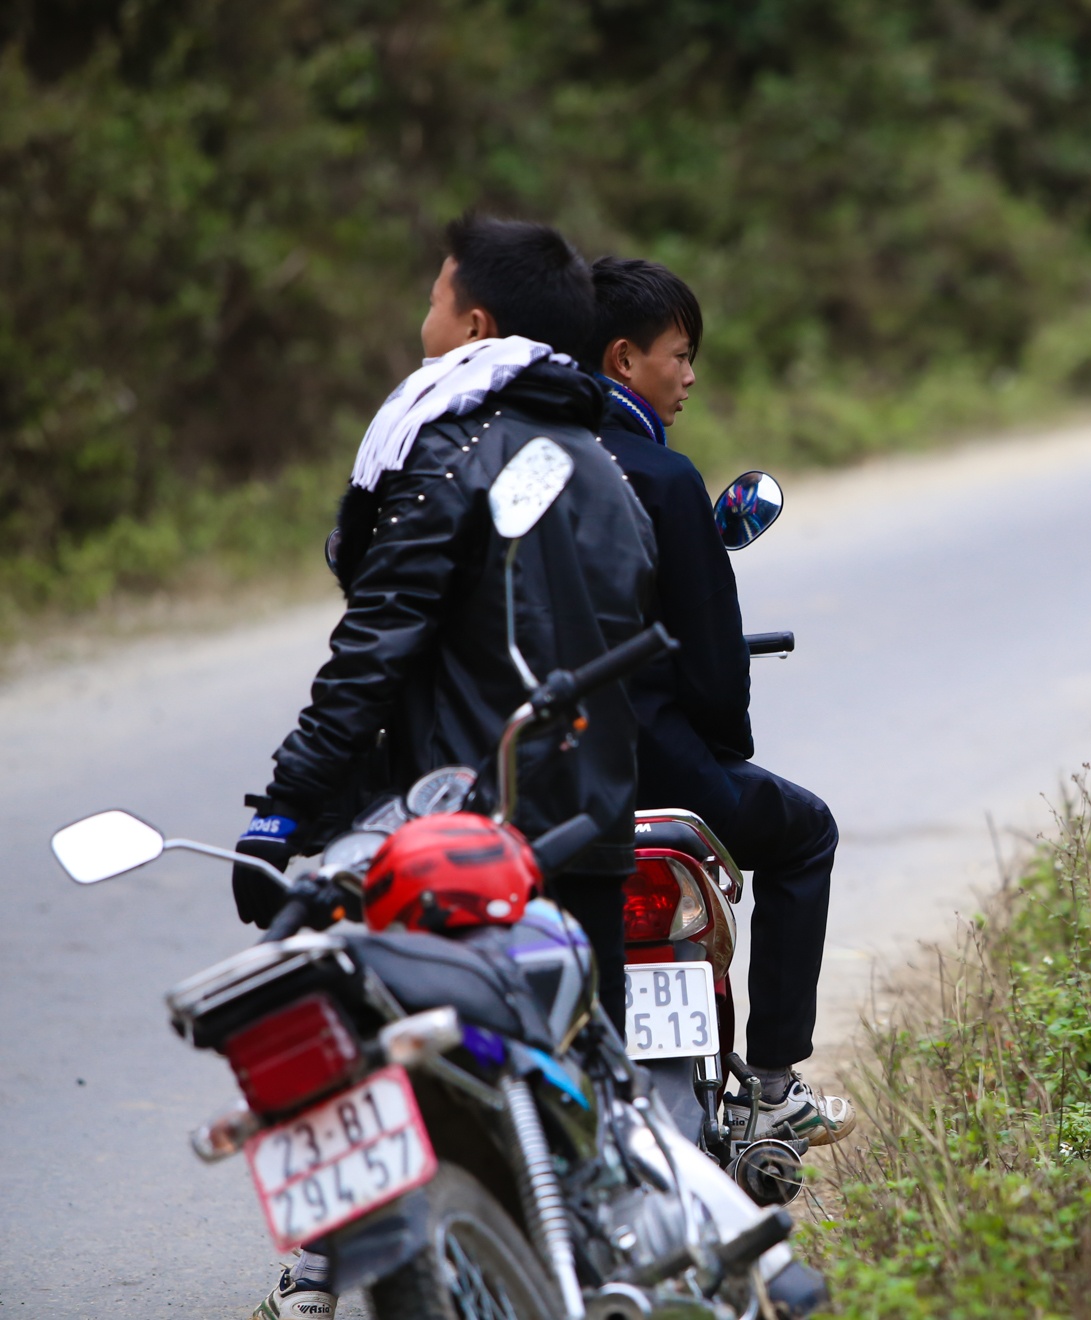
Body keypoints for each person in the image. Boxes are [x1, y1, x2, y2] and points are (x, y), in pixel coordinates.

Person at [237, 216, 656, 1320]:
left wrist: (285, 809)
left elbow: (375, 649)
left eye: (431, 300)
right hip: (594, 831)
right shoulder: (606, 465)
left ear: (472, 322)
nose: (419, 325)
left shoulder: (445, 448)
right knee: (589, 1120)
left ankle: (329, 1266)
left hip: (461, 842)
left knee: (384, 1058)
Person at [587, 256, 853, 1147]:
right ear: (624, 359)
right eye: (680, 353)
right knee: (804, 830)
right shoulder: (661, 480)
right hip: (658, 768)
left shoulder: (509, 463)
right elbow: (709, 665)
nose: (690, 375)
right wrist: (722, 751)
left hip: (537, 777)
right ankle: (774, 1086)